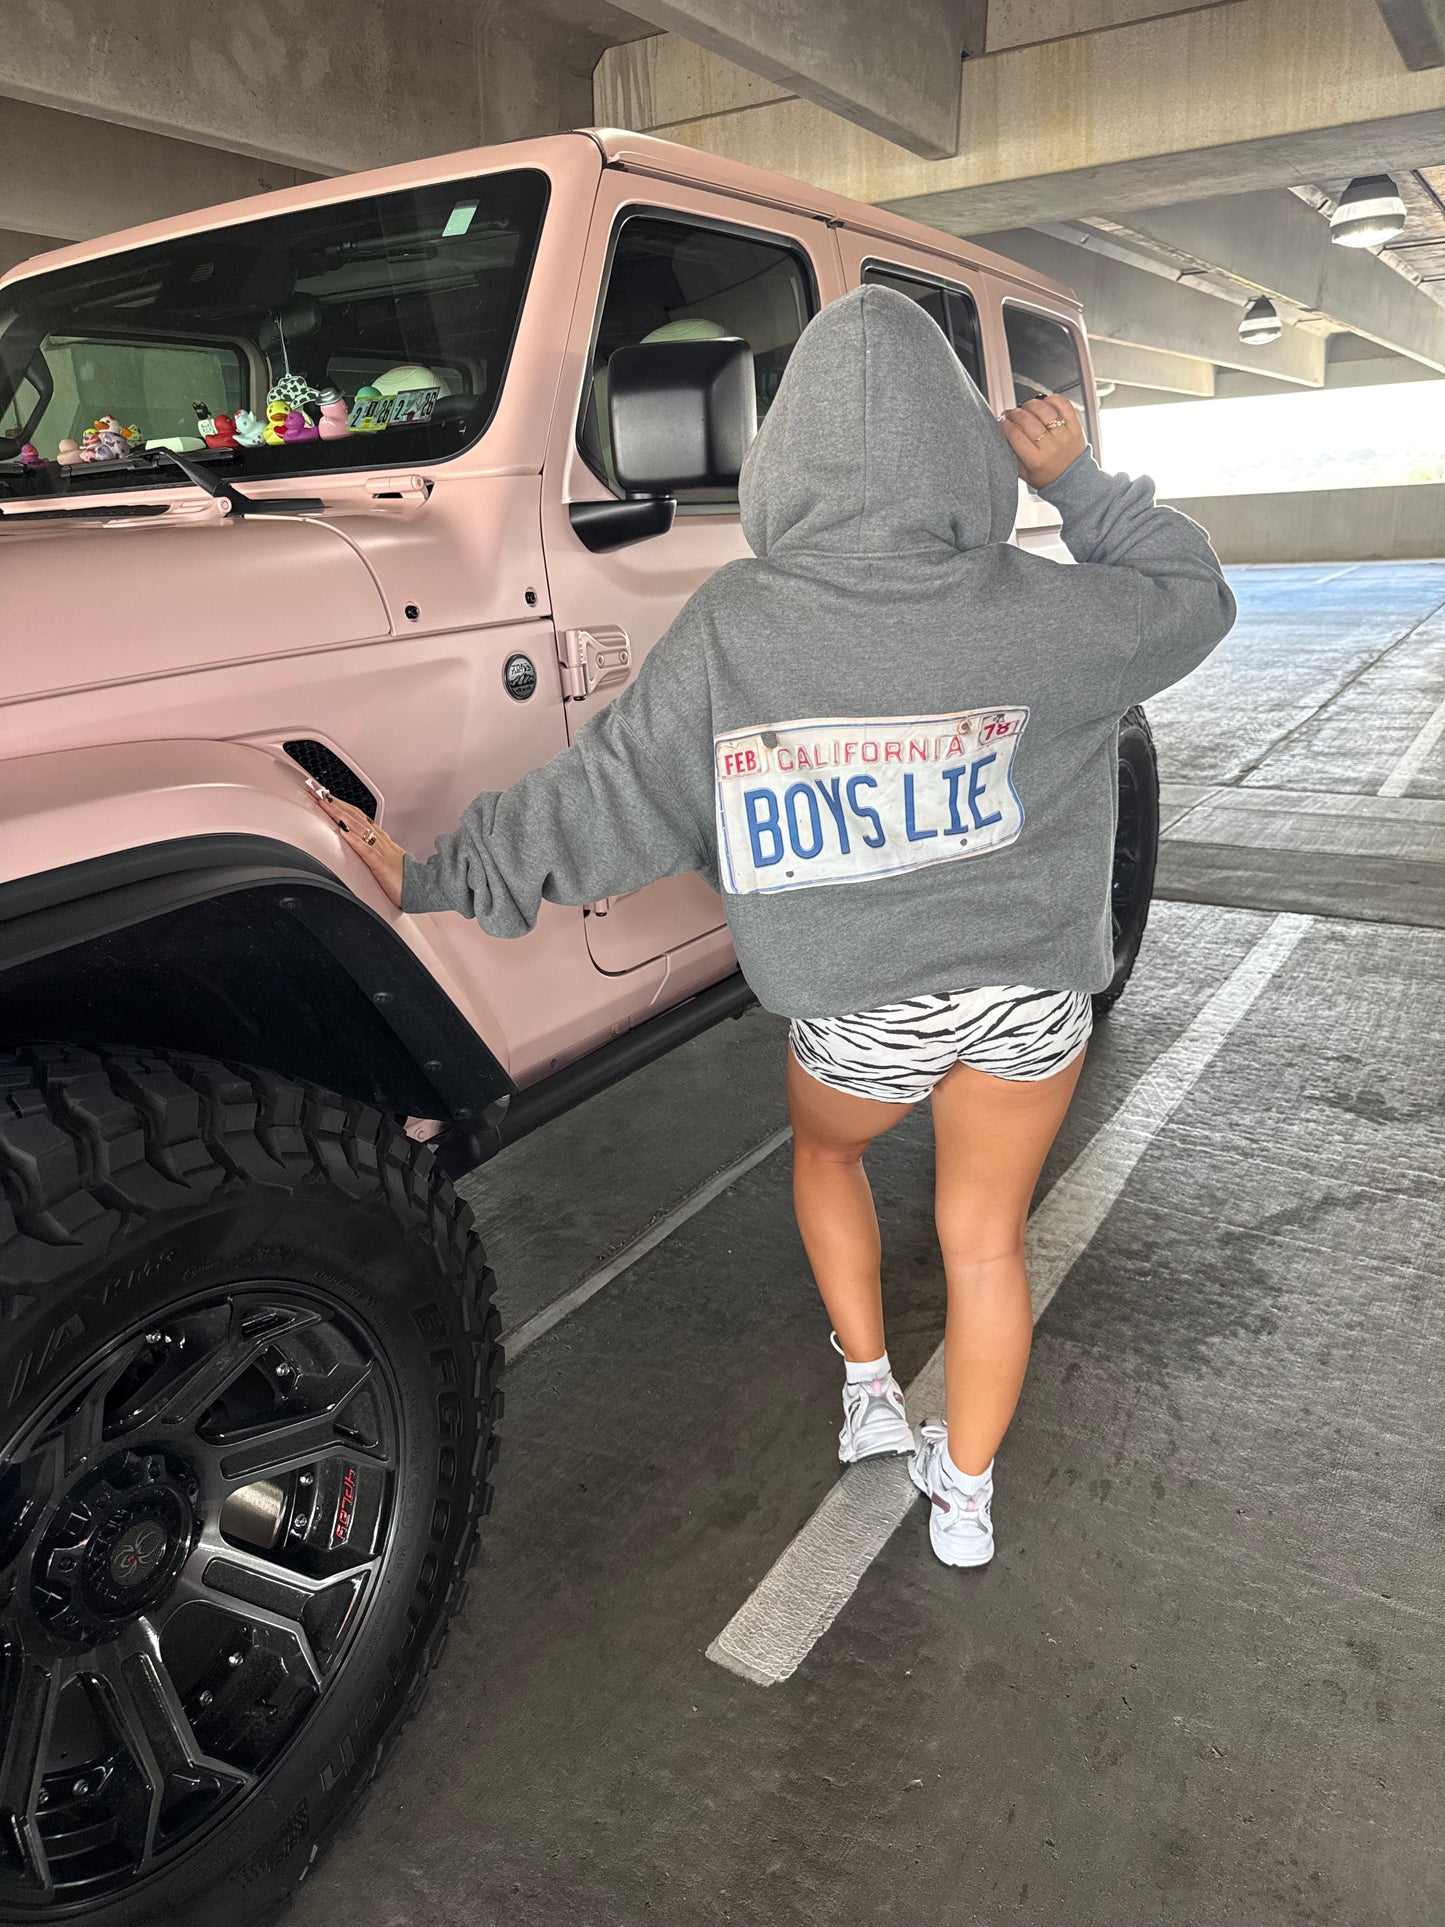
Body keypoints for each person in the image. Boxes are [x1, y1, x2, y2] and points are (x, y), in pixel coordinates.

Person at [312, 285, 1235, 1570]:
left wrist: (431, 873)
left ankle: (867, 1393)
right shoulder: (1047, 610)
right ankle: (963, 1497)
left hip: (857, 1009)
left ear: (783, 455)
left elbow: (602, 792)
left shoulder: (735, 623)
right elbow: (1192, 597)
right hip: (1026, 1000)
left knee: (825, 1156)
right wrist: (1078, 485)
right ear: (962, 450)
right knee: (983, 1242)